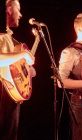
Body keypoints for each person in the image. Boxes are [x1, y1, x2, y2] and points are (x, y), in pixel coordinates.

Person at [0, 0, 35, 140]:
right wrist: (22, 55)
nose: (20, 14)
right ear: (8, 9)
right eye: (18, 9)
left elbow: (11, 65)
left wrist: (28, 69)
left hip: (10, 95)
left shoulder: (8, 36)